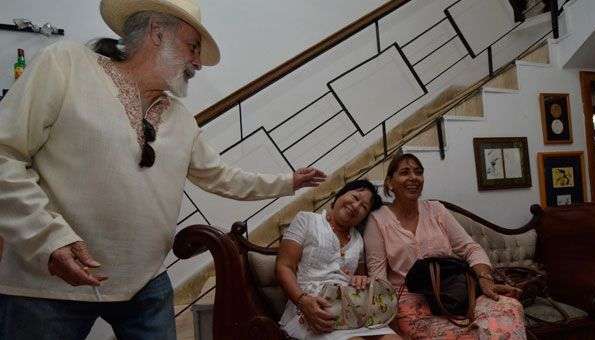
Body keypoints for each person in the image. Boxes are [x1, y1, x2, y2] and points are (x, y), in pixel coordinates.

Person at [0, 0, 326, 339]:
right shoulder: (65, 63)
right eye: (193, 47)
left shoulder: (182, 119)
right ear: (157, 33)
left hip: (146, 285)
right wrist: (48, 240)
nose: (198, 63)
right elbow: (4, 154)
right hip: (46, 287)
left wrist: (288, 182)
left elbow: (221, 177)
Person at [364, 153, 526, 339]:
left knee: (509, 309)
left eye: (418, 172)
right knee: (461, 336)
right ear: (390, 183)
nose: (413, 178)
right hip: (411, 301)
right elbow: (378, 278)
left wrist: (484, 279)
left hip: (454, 293)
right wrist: (389, 324)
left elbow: (471, 248)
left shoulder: (436, 210)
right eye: (404, 172)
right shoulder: (377, 220)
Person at [276, 179, 401, 340]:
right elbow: (284, 266)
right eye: (355, 197)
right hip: (311, 309)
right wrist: (303, 301)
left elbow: (357, 280)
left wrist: (359, 279)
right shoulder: (306, 220)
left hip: (352, 313)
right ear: (340, 195)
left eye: (364, 207)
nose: (356, 206)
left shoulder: (359, 241)